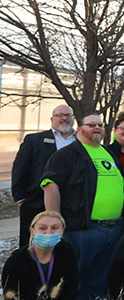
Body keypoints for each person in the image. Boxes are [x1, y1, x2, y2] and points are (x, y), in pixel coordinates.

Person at [41, 112, 124, 300]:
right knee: (75, 277)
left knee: (99, 279)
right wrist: (55, 223)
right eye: (91, 125)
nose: (97, 128)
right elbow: (50, 185)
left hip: (112, 228)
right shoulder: (66, 155)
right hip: (82, 229)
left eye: (100, 125)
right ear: (80, 128)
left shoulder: (108, 153)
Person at [0, 211, 95, 300]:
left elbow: (70, 292)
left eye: (55, 228)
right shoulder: (16, 262)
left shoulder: (67, 252)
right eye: (43, 228)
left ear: (62, 231)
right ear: (32, 232)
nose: (48, 233)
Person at [13, 105, 76, 248]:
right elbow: (20, 169)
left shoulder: (81, 141)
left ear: (73, 118)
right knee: (32, 246)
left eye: (68, 115)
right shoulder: (34, 140)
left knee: (65, 245)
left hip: (73, 204)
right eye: (59, 115)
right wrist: (21, 198)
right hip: (36, 202)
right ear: (52, 119)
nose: (64, 118)